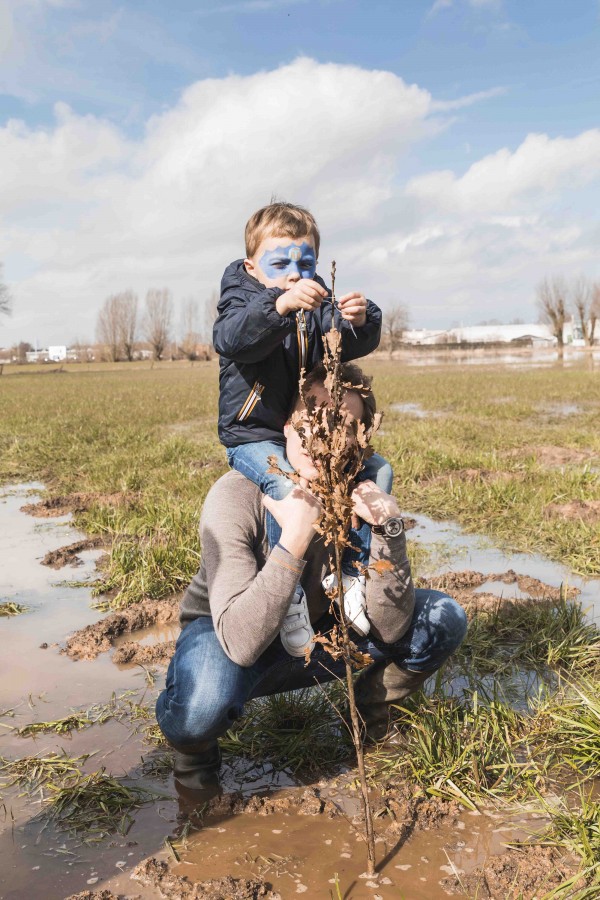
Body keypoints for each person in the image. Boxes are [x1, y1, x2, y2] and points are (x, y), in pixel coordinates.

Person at [156, 363, 468, 792]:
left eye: (345, 423)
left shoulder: (364, 492)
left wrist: (387, 530)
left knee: (443, 618)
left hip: (325, 635)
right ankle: (195, 753)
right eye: (314, 414)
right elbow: (242, 644)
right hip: (233, 636)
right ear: (287, 426)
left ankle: (371, 714)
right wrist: (296, 537)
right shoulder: (237, 494)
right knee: (202, 703)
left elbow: (392, 629)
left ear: (362, 440)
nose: (326, 434)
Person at [213, 201, 390, 656]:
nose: (295, 273)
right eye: (280, 263)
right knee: (292, 495)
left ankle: (352, 573)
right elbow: (232, 337)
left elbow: (348, 340)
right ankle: (289, 594)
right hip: (251, 434)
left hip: (299, 432)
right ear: (253, 266)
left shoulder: (314, 303)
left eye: (305, 263)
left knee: (378, 469)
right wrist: (279, 307)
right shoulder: (242, 295)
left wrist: (362, 318)